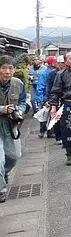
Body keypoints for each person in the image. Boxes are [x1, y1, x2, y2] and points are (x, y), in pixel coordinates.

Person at [0, 55, 26, 203]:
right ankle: (1, 190)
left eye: (10, 68)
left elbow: (22, 101)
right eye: (3, 68)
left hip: (11, 126)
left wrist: (19, 110)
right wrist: (3, 109)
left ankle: (4, 174)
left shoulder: (18, 83)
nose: (7, 72)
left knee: (14, 156)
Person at [35, 56, 58, 138]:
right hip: (45, 96)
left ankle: (50, 132)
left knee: (53, 115)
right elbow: (40, 86)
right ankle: (42, 131)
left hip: (53, 96)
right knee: (44, 115)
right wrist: (41, 99)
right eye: (56, 62)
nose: (57, 63)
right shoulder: (44, 73)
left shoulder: (56, 72)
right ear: (52, 63)